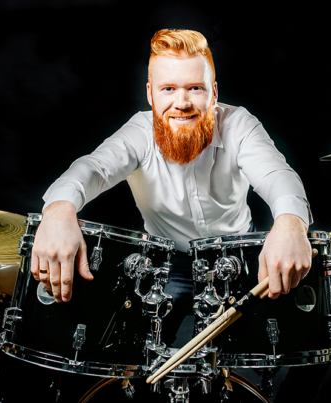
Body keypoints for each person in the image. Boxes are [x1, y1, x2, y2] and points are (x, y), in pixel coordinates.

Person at [31, 29, 312, 306]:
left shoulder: (239, 124)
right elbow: (93, 168)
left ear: (213, 93)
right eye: (168, 89)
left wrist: (291, 223)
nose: (182, 103)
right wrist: (58, 210)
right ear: (151, 95)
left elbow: (277, 175)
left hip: (240, 253)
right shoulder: (139, 131)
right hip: (167, 263)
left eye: (195, 88)